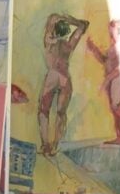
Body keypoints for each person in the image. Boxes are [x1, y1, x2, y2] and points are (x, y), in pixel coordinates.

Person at [38, 13, 89, 157]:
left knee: (44, 111)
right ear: (66, 31)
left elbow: (52, 18)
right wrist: (70, 20)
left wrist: (62, 18)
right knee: (60, 113)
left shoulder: (49, 41)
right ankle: (54, 145)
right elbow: (83, 25)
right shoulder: (69, 44)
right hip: (64, 79)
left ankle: (46, 145)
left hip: (53, 78)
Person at [88, 20, 120, 146]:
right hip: (111, 78)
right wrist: (94, 49)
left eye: (113, 28)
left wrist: (107, 80)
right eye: (110, 28)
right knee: (114, 110)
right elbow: (104, 61)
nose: (110, 31)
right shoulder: (114, 45)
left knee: (115, 106)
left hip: (118, 77)